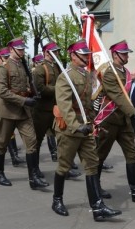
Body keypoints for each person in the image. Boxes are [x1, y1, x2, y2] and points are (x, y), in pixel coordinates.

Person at [51, 39, 121, 221]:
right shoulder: (65, 77)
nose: (86, 57)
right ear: (73, 56)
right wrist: (76, 127)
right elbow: (65, 106)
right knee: (64, 166)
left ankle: (97, 207)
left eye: (87, 54)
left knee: (91, 165)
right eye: (82, 54)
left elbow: (89, 103)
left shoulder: (88, 75)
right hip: (70, 129)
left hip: (87, 127)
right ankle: (57, 200)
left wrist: (92, 123)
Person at [95, 40, 135, 202]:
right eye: (123, 54)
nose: (126, 56)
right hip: (109, 120)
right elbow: (117, 96)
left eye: (127, 53)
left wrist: (132, 115)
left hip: (123, 121)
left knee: (131, 153)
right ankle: (95, 187)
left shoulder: (125, 72)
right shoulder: (109, 73)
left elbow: (125, 97)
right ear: (115, 55)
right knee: (100, 155)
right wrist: (134, 114)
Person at [0, 37, 48, 189]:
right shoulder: (3, 67)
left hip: (23, 112)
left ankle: (33, 178)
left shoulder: (23, 66)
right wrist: (24, 101)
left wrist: (31, 94)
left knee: (32, 143)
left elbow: (24, 87)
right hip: (8, 111)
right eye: (20, 49)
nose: (23, 51)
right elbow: (3, 92)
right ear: (11, 50)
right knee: (1, 144)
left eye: (24, 49)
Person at [32, 42, 81, 179]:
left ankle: (65, 168)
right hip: (42, 111)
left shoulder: (57, 67)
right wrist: (59, 90)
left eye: (58, 51)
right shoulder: (40, 69)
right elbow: (40, 88)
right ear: (46, 53)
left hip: (56, 110)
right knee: (37, 141)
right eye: (54, 51)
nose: (57, 54)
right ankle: (34, 169)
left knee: (63, 140)